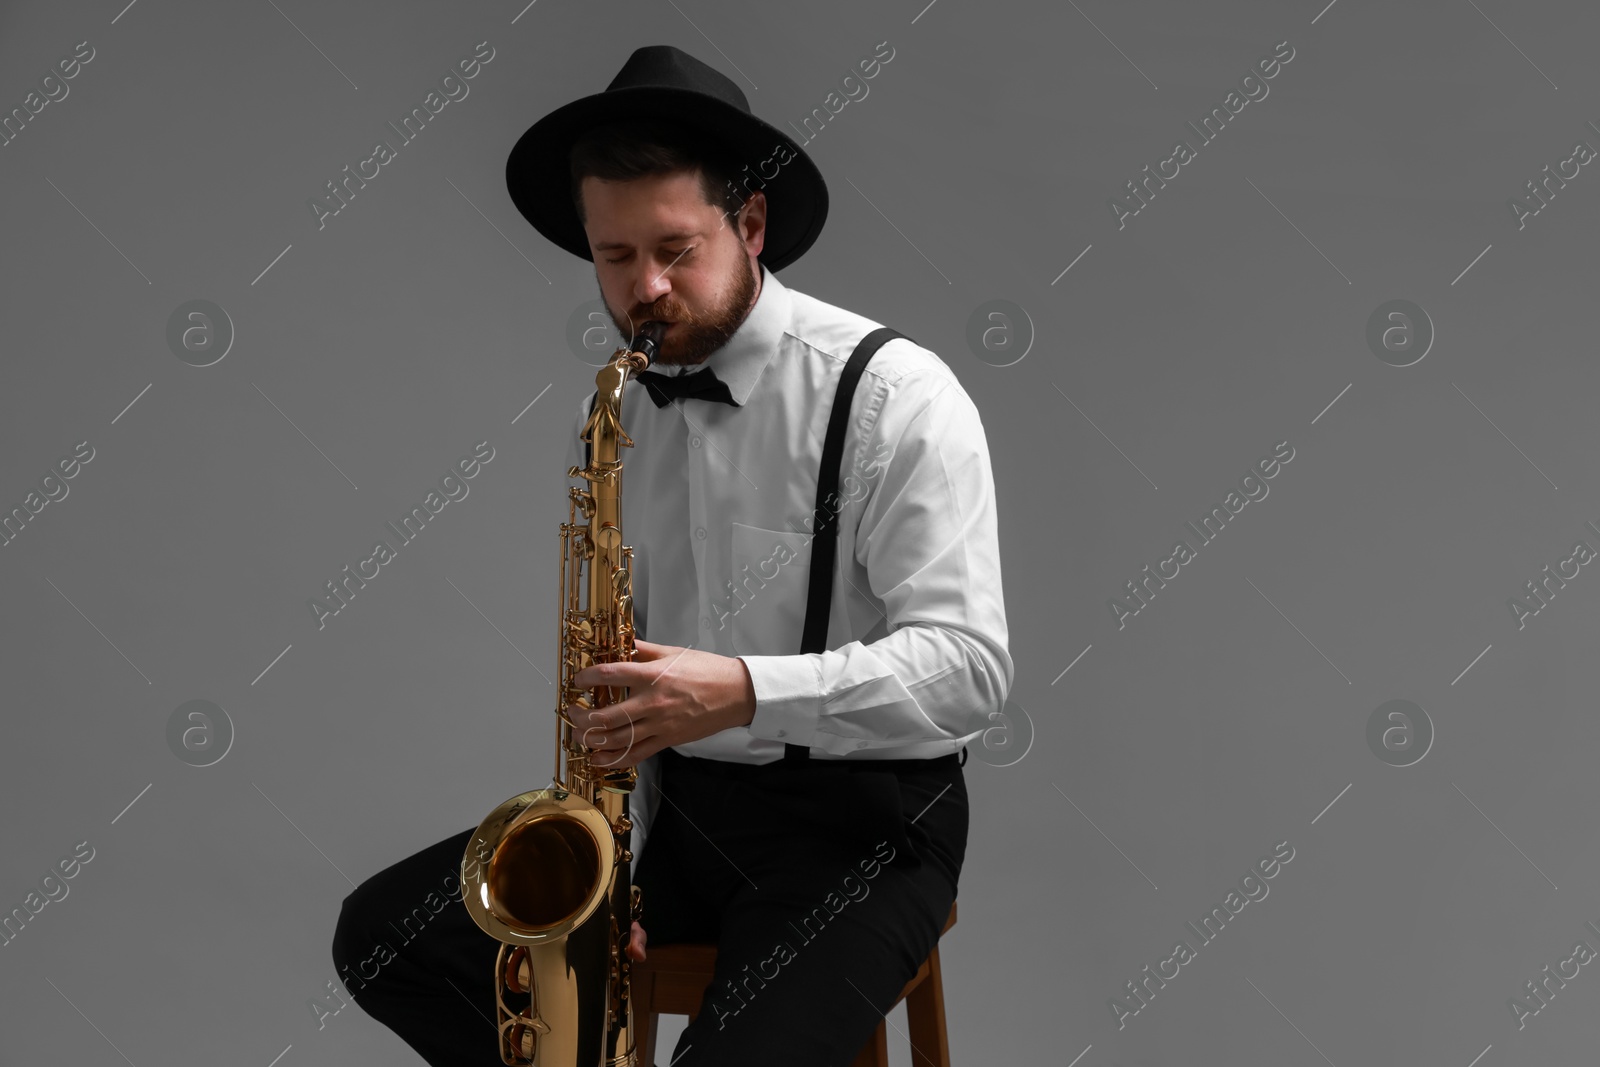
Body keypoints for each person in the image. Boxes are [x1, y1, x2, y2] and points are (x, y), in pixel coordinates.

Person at [331, 44, 1011, 1066]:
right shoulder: (613, 415)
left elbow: (970, 672)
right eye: (614, 257)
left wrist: (742, 689)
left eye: (675, 248)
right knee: (383, 935)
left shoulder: (893, 399)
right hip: (686, 818)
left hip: (862, 832)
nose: (644, 287)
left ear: (749, 225)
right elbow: (629, 675)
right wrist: (621, 870)